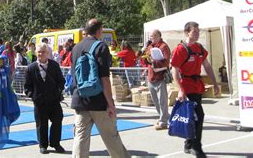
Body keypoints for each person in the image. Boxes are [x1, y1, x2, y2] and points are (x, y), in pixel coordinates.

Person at [71, 19, 130, 158]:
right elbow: (104, 79)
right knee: (110, 136)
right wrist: (111, 104)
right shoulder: (100, 46)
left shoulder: (76, 47)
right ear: (99, 30)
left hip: (80, 98)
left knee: (80, 137)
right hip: (98, 100)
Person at [171, 22, 219, 158]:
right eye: (194, 32)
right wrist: (180, 89)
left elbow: (207, 66)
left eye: (198, 32)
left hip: (197, 86)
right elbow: (174, 70)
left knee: (192, 117)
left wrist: (215, 83)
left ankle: (188, 144)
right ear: (187, 32)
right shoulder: (181, 49)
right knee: (199, 115)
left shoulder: (199, 48)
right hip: (186, 87)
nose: (197, 34)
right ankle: (196, 147)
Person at [25, 43, 65, 154]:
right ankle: (43, 145)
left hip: (54, 100)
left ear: (47, 53)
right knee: (41, 124)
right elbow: (27, 87)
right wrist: (33, 96)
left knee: (58, 120)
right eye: (38, 52)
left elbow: (61, 81)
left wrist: (58, 91)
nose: (40, 54)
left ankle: (55, 143)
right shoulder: (31, 68)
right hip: (39, 102)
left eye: (43, 52)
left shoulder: (54, 65)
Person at [144, 29, 171, 130]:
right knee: (155, 100)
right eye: (150, 36)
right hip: (151, 76)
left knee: (162, 100)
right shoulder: (150, 46)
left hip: (160, 77)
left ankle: (163, 122)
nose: (151, 38)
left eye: (153, 36)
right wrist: (145, 58)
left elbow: (166, 61)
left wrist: (153, 62)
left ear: (159, 36)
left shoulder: (164, 46)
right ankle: (163, 117)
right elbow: (146, 60)